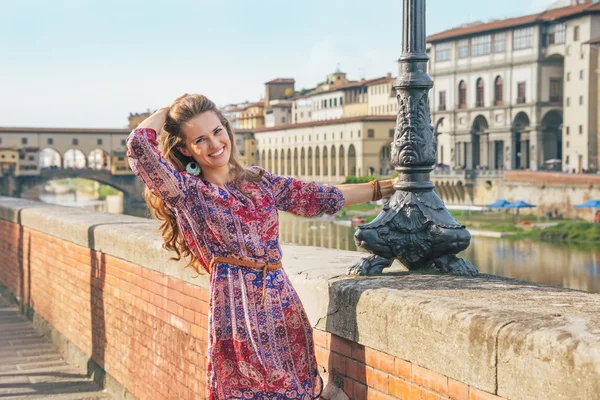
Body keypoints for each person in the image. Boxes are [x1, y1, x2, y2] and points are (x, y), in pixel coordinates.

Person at [126, 94, 397, 399]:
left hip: (282, 302)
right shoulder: (188, 193)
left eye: (217, 131)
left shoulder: (258, 181)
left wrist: (389, 187)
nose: (215, 144)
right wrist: (168, 110)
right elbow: (139, 148)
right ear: (185, 149)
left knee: (296, 389)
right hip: (236, 308)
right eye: (200, 139)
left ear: (227, 130)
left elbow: (318, 196)